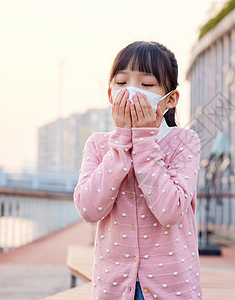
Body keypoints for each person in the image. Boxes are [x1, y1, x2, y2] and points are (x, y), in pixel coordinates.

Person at [73, 41, 202, 300]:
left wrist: (143, 140)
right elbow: (88, 209)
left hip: (172, 289)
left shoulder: (184, 142)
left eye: (146, 85)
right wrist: (121, 142)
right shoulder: (99, 145)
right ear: (110, 94)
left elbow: (171, 210)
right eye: (122, 83)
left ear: (170, 99)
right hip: (113, 287)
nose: (132, 91)